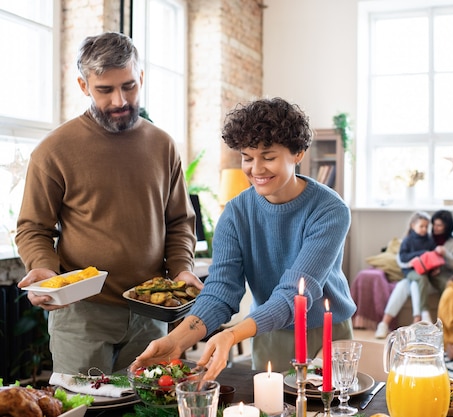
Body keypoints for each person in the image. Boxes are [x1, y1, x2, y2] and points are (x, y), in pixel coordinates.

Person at [15, 32, 201, 375]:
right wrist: (42, 267)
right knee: (83, 410)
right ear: (84, 85)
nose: (120, 100)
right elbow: (33, 227)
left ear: (141, 77)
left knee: (145, 409)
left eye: (129, 86)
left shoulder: (163, 145)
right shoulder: (53, 150)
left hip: (150, 313)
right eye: (105, 90)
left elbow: (179, 222)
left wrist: (181, 269)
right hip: (82, 314)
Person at [133, 97, 357, 379]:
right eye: (247, 157)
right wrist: (176, 341)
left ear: (298, 153)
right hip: (268, 331)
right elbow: (220, 291)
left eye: (269, 157)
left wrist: (233, 335)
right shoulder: (236, 213)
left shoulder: (329, 210)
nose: (256, 169)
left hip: (328, 334)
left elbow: (295, 293)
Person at [375, 211, 436, 338]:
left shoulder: (430, 241)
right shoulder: (407, 241)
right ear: (413, 225)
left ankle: (416, 321)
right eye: (421, 226)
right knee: (403, 286)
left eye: (426, 227)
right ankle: (384, 324)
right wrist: (419, 255)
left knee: (414, 285)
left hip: (423, 277)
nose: (424, 229)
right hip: (409, 274)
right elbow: (402, 259)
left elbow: (433, 257)